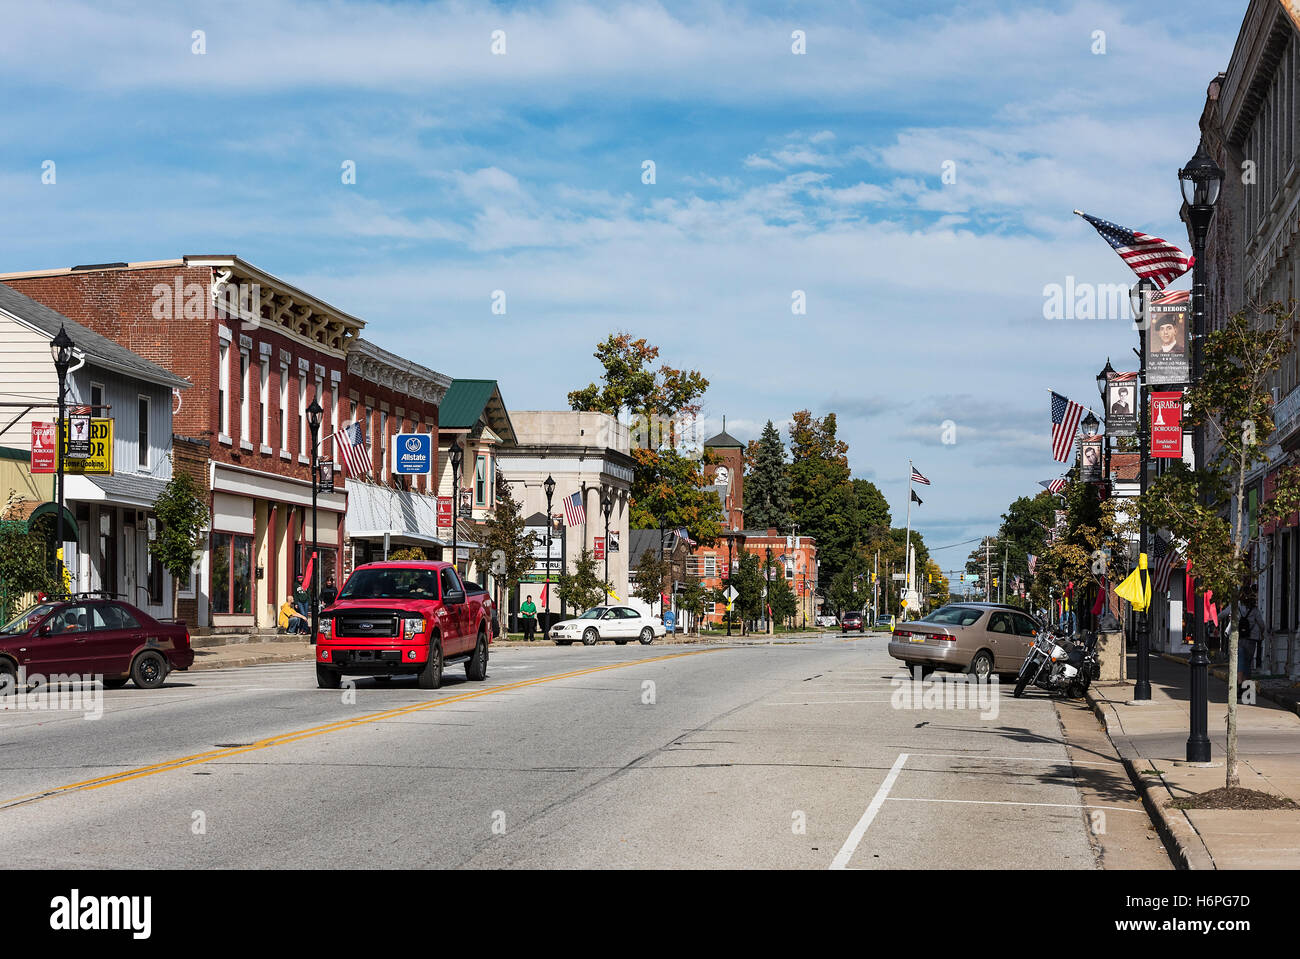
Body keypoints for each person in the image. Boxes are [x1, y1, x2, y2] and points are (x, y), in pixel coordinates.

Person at [1235, 589, 1266, 702]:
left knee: (1240, 661)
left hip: (1240, 638)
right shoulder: (1255, 610)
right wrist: (1262, 633)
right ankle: (1247, 691)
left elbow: (1223, 613)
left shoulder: (1237, 607)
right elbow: (1262, 624)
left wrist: (1213, 619)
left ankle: (1239, 685)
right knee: (1248, 663)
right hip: (1252, 639)